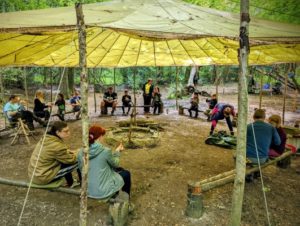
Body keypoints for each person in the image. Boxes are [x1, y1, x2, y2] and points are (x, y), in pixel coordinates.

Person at [77, 125, 131, 199]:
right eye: (103, 135)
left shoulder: (80, 151)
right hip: (101, 191)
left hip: (87, 188)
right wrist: (117, 151)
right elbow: (115, 164)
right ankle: (125, 199)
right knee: (126, 173)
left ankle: (115, 193)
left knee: (115, 171)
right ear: (100, 137)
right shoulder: (105, 151)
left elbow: (80, 168)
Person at [28, 121, 81, 187]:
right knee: (80, 160)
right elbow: (71, 160)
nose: (69, 133)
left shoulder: (47, 138)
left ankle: (71, 183)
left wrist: (75, 152)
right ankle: (82, 184)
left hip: (35, 174)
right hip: (42, 177)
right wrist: (79, 153)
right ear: (57, 132)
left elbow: (64, 153)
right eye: (66, 131)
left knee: (64, 160)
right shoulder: (56, 146)